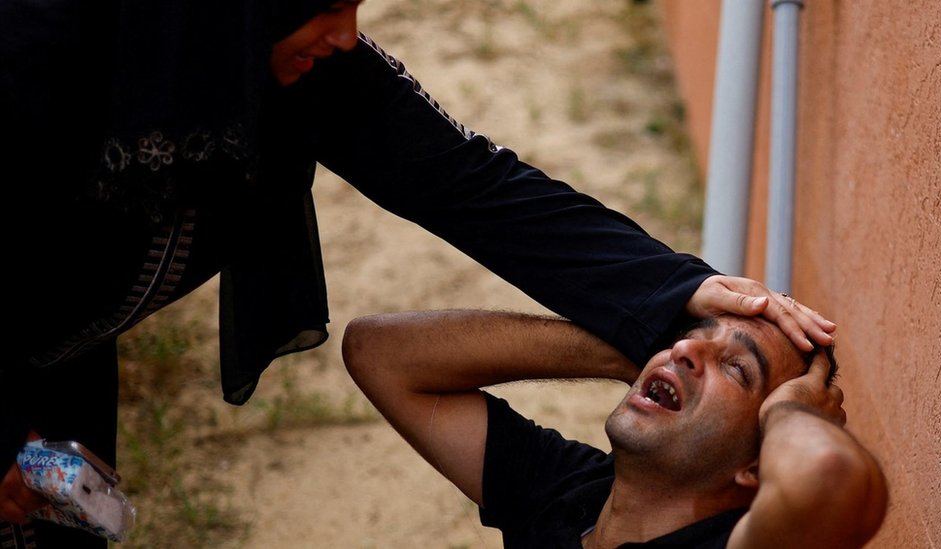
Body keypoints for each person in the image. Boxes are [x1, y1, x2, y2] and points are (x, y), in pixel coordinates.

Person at [0, 1, 836, 546]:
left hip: (59, 354)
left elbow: (468, 182)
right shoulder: (37, 48)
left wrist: (666, 295)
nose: (347, 35)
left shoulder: (293, 61)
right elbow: (384, 353)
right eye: (326, 7)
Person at [343, 309, 888, 548]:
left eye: (737, 368)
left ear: (756, 464)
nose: (685, 348)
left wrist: (794, 410)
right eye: (692, 336)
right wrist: (630, 352)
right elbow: (379, 351)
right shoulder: (570, 492)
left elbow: (830, 477)